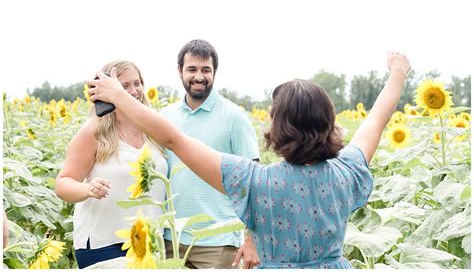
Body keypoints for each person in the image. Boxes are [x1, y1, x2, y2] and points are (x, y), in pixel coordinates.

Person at [88, 52, 411, 269]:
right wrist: (397, 72)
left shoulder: (255, 182)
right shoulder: (347, 172)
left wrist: (118, 96)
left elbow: (174, 139)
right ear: (329, 122)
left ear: (277, 127)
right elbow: (376, 120)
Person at [55, 61, 168, 269]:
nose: (133, 92)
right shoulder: (94, 132)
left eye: (137, 83)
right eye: (124, 86)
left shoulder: (153, 130)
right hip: (102, 244)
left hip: (148, 241)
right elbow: (63, 184)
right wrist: (87, 189)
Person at [159, 39, 260, 269]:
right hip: (170, 239)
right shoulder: (165, 117)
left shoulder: (234, 117)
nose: (199, 76)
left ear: (215, 72)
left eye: (206, 70)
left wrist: (252, 240)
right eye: (192, 69)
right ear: (179, 71)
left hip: (219, 241)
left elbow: (253, 183)